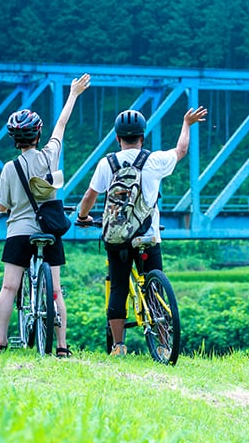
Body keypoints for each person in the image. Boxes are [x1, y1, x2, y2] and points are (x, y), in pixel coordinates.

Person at [76, 105, 208, 356]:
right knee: (154, 287)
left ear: (117, 138)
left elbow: (90, 195)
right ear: (142, 136)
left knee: (118, 287)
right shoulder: (154, 160)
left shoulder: (108, 163)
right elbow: (181, 151)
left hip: (118, 239)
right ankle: (162, 344)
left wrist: (83, 217)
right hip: (148, 236)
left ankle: (118, 346)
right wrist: (186, 124)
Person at [0, 73, 90, 357]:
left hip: (19, 233)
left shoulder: (10, 168)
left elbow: (2, 205)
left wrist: (1, 208)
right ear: (37, 134)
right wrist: (73, 94)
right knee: (56, 290)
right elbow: (61, 126)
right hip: (49, 231)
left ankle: (1, 343)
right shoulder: (50, 155)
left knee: (9, 286)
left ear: (14, 139)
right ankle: (61, 347)